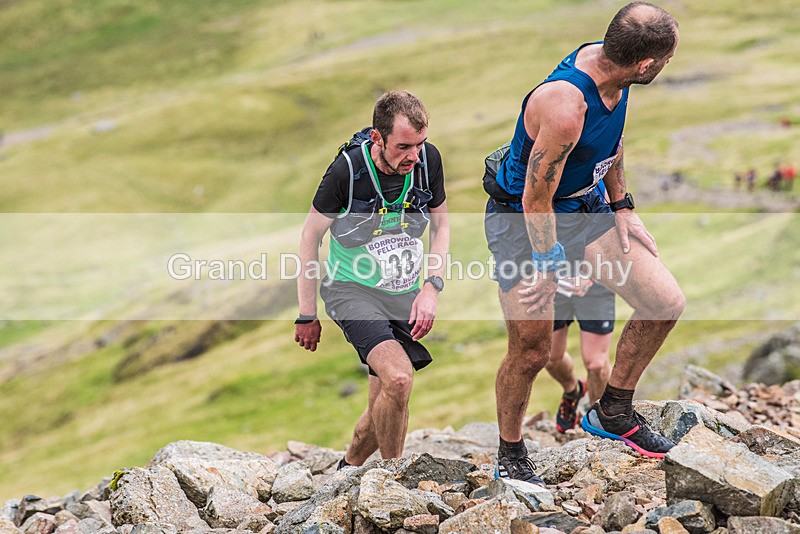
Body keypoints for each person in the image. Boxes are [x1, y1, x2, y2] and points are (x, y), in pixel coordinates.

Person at [484, 2, 684, 485]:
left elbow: (611, 142)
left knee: (664, 302)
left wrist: (623, 204)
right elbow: (536, 196)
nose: (666, 66)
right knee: (532, 350)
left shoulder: (616, 75)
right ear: (645, 64)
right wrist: (549, 265)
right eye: (666, 60)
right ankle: (510, 450)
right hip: (524, 219)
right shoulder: (566, 106)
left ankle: (613, 410)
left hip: (587, 207)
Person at [295, 90, 450, 467]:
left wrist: (432, 286)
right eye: (404, 146)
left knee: (384, 403)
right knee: (399, 380)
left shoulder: (427, 161)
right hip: (353, 291)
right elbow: (310, 237)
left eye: (420, 143)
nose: (414, 156)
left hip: (404, 293)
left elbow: (442, 225)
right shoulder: (346, 172)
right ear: (378, 138)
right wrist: (306, 314)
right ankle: (393, 481)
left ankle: (347, 468)